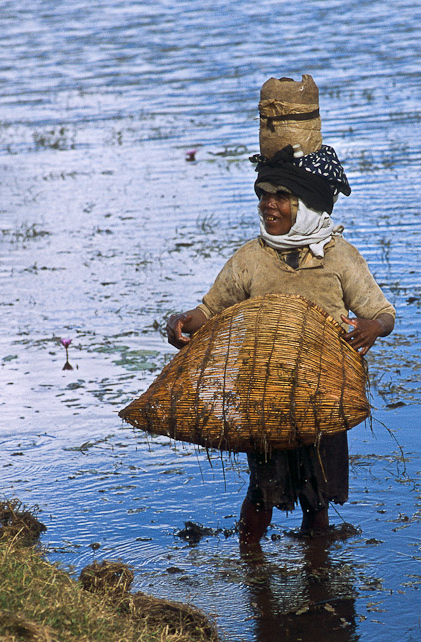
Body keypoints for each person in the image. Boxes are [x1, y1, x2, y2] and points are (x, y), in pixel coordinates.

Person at [166, 143, 395, 546]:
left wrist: (372, 327)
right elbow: (210, 309)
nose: (267, 206)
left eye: (280, 197)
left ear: (306, 205)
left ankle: (315, 579)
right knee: (261, 489)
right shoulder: (251, 259)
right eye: (262, 195)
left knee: (317, 498)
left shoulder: (339, 258)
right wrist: (185, 322)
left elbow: (382, 312)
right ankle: (250, 557)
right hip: (263, 397)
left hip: (322, 397)